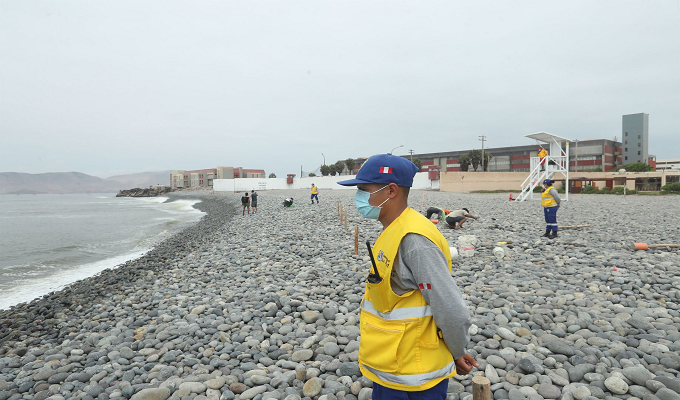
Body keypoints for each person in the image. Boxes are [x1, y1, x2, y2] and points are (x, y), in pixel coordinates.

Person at [337, 154, 477, 399]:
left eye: (364, 190)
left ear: (391, 191)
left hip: (415, 377)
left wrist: (457, 351)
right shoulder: (395, 228)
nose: (359, 197)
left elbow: (450, 307)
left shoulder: (414, 240)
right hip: (394, 366)